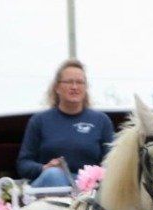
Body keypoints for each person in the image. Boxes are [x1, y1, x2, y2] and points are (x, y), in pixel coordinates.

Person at [18, 60, 114, 191]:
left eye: (80, 82)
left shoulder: (101, 121)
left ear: (86, 88)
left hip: (89, 193)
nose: (74, 87)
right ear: (57, 88)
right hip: (48, 193)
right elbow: (23, 165)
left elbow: (112, 165)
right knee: (54, 175)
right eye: (69, 82)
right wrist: (44, 168)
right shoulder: (39, 121)